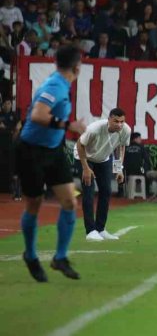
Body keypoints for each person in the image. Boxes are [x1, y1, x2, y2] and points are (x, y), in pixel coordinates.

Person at [16, 45, 87, 282]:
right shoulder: (54, 85)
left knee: (69, 200)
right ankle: (31, 255)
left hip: (53, 150)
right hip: (32, 151)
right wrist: (70, 126)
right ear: (77, 67)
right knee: (34, 204)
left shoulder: (62, 84)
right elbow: (37, 115)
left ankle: (60, 257)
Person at [76, 109, 131, 241]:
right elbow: (80, 144)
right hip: (84, 157)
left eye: (122, 121)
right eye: (116, 121)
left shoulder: (126, 130)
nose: (119, 125)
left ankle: (100, 229)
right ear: (109, 120)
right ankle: (90, 231)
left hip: (103, 159)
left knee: (106, 191)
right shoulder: (94, 129)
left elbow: (120, 147)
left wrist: (119, 169)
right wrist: (85, 168)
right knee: (89, 192)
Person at [0, 99, 22, 200]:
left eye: (9, 103)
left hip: (11, 145)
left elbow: (18, 127)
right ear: (3, 105)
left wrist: (12, 133)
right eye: (6, 103)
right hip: (2, 145)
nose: (8, 105)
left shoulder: (15, 115)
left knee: (12, 167)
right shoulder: (1, 115)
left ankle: (15, 190)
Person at [122, 132, 152, 198]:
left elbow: (121, 159)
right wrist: (146, 169)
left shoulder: (125, 147)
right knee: (147, 173)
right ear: (135, 139)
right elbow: (147, 160)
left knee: (120, 172)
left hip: (127, 171)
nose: (140, 140)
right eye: (139, 138)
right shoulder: (141, 147)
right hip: (139, 171)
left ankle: (120, 192)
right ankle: (147, 192)